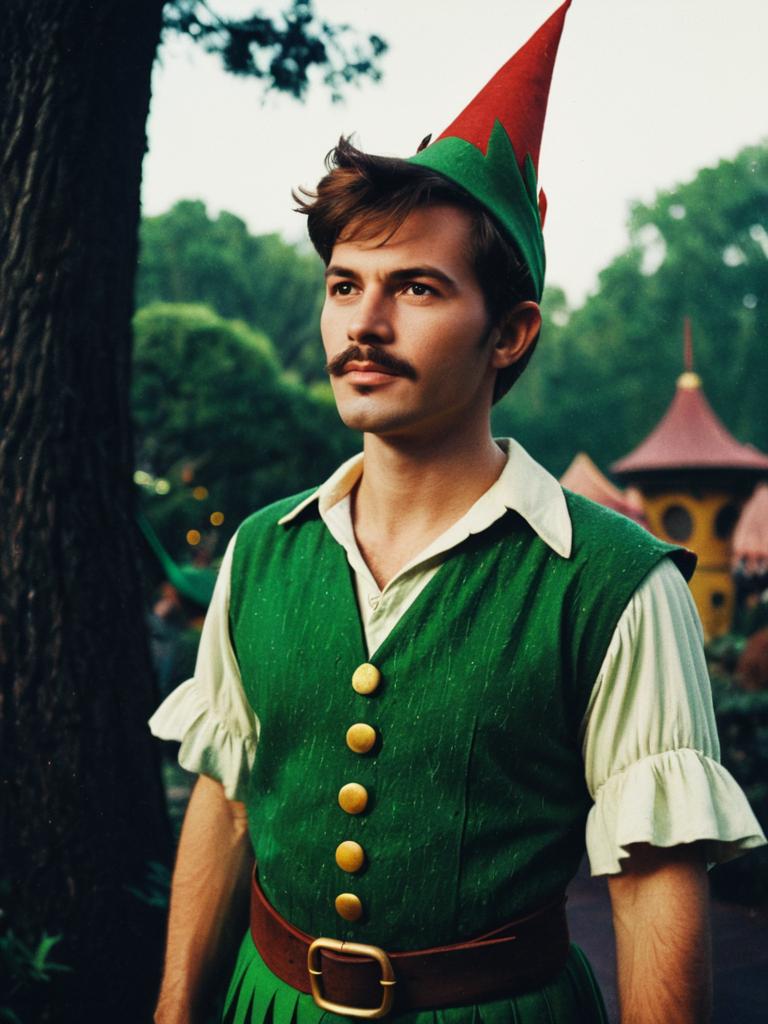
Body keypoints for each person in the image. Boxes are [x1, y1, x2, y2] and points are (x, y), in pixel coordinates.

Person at [150, 3, 765, 1022]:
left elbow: (655, 883)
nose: (365, 323)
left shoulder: (613, 581)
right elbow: (224, 805)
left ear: (510, 331)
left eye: (418, 288)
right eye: (345, 284)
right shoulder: (260, 550)